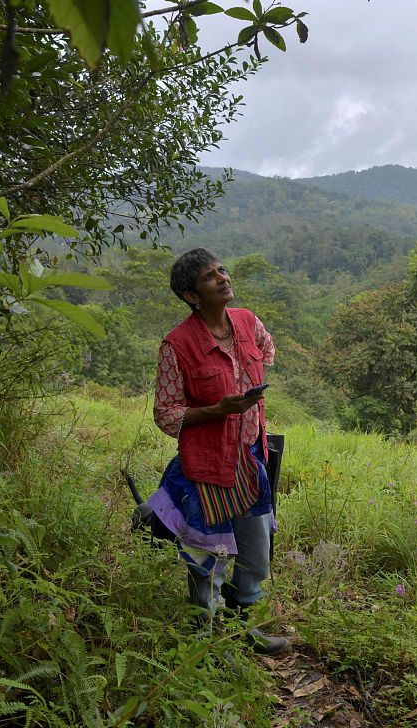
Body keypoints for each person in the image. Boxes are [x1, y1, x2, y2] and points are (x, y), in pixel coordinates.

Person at [149, 247, 288, 655]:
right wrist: (217, 410)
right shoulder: (177, 345)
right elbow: (166, 414)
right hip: (207, 465)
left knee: (256, 558)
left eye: (222, 270)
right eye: (210, 277)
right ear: (192, 296)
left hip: (251, 458)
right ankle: (205, 644)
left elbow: (267, 353)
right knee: (207, 558)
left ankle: (240, 627)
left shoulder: (248, 322)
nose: (223, 278)